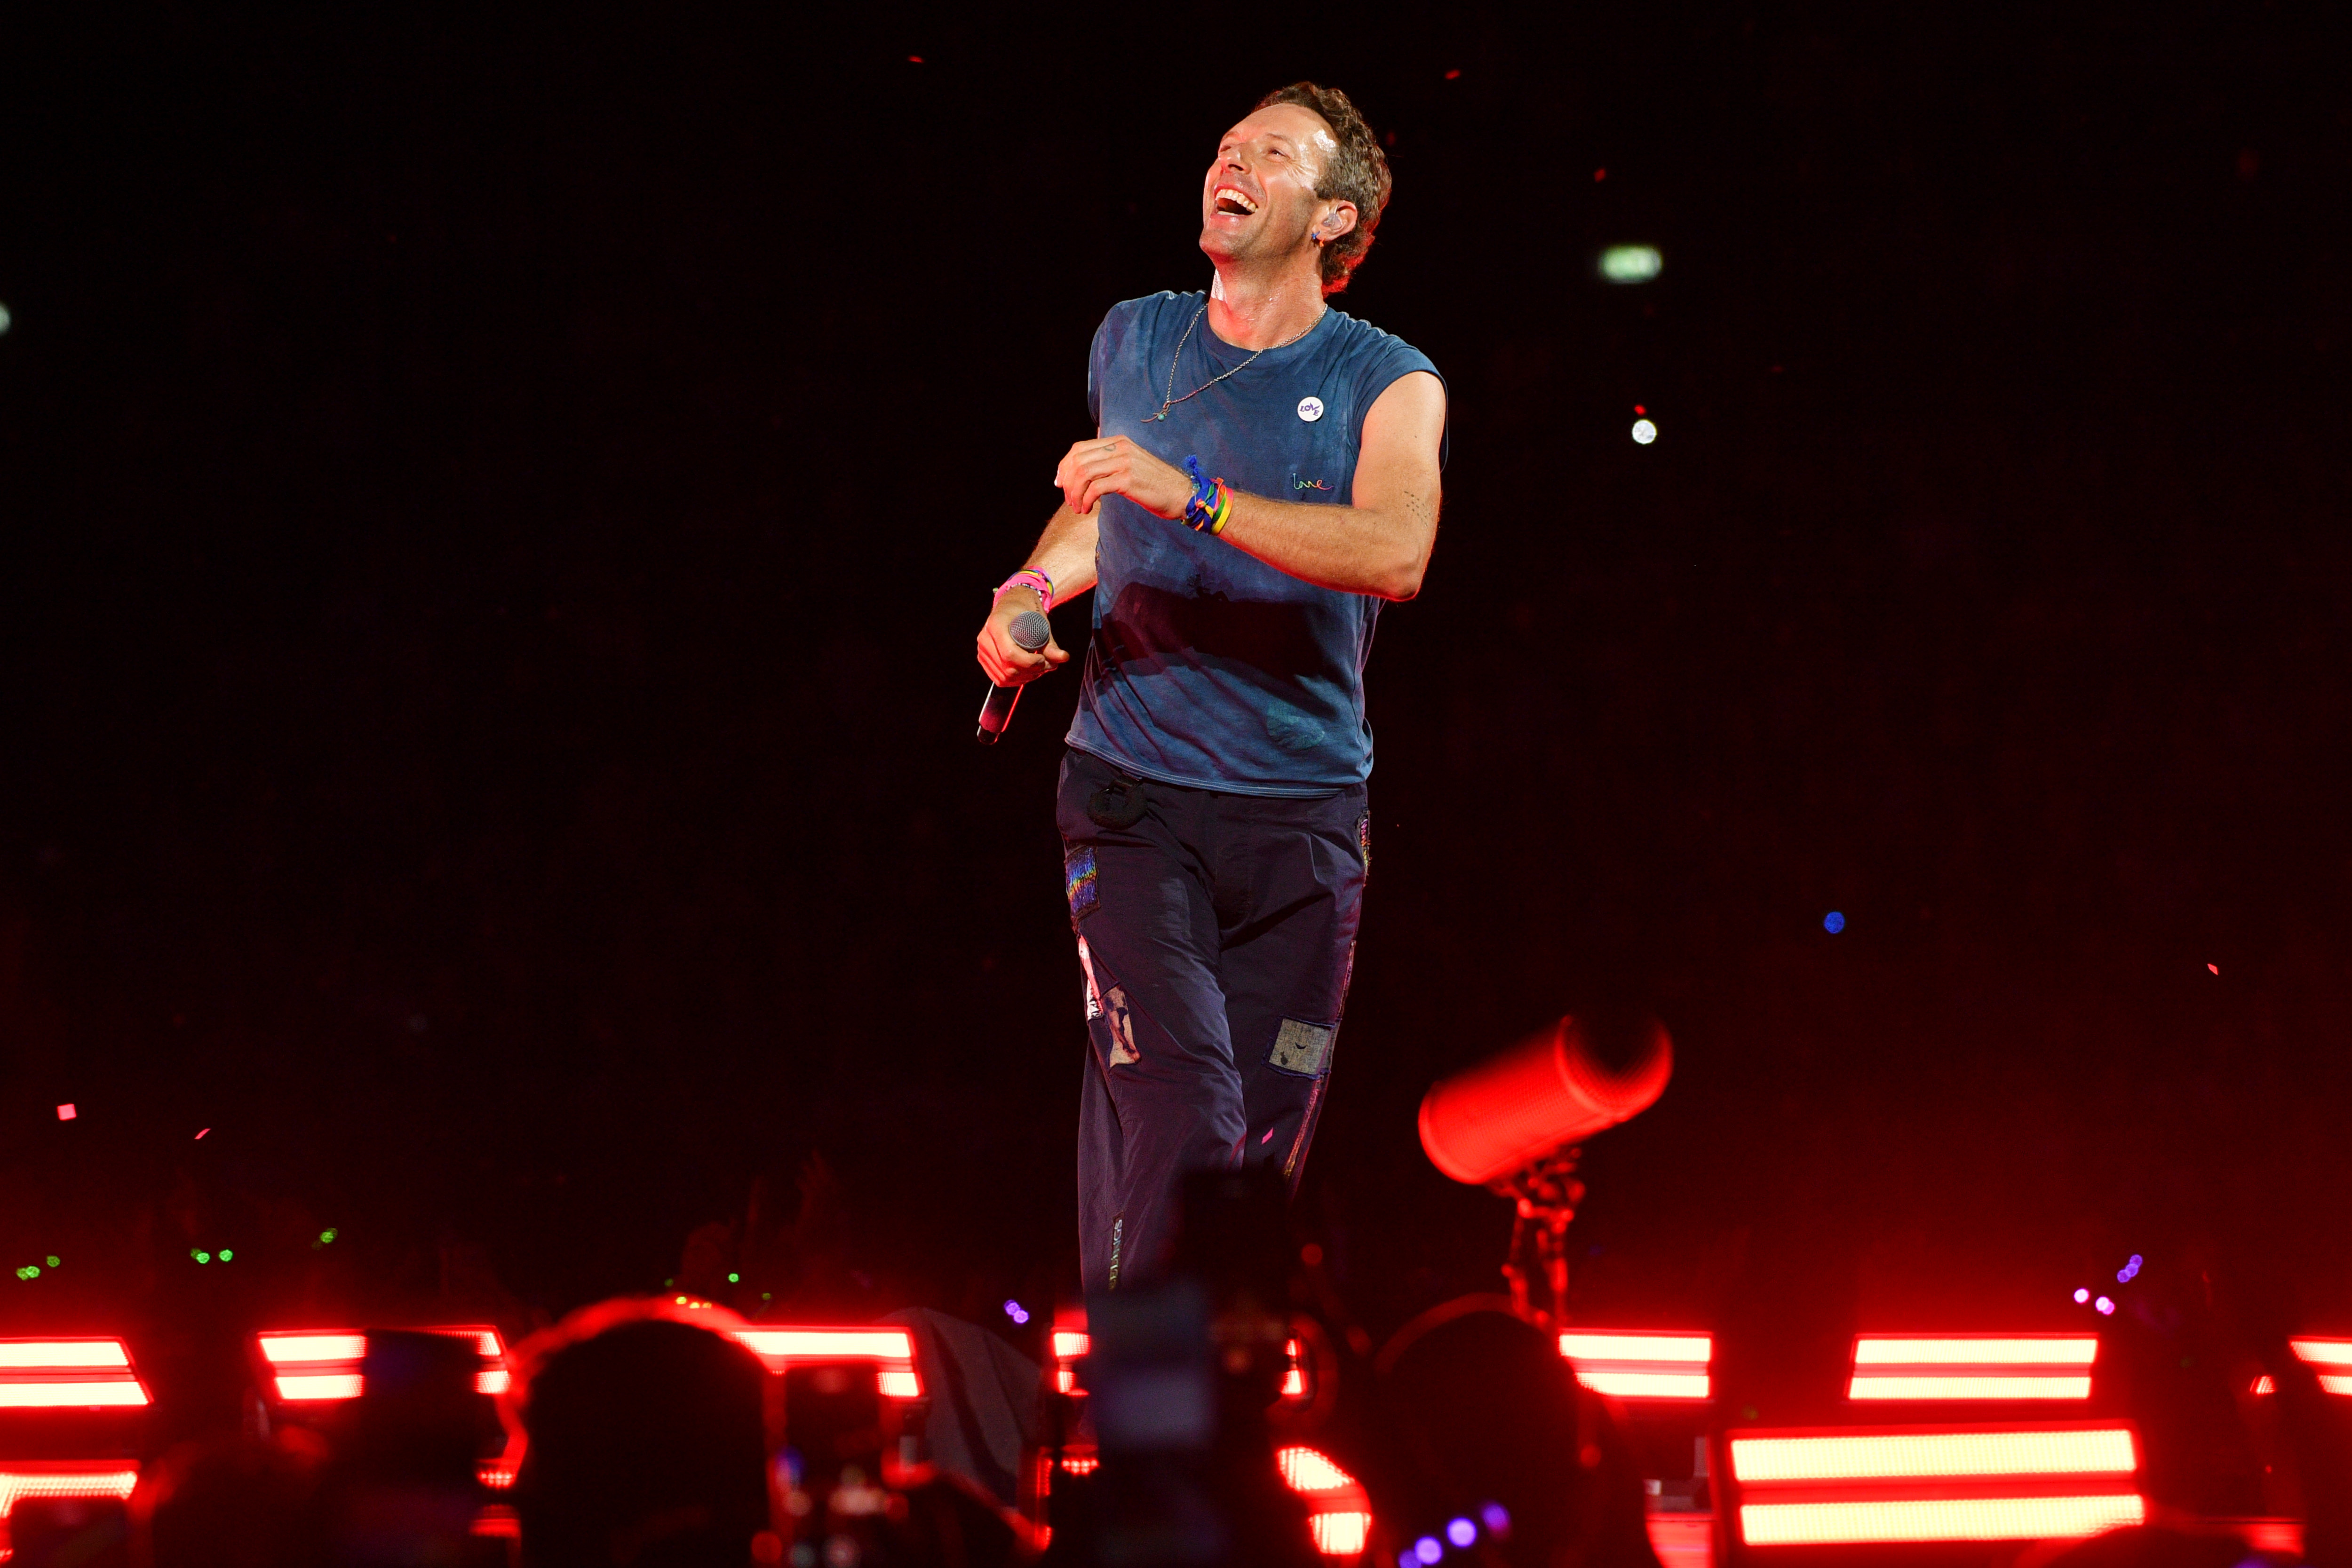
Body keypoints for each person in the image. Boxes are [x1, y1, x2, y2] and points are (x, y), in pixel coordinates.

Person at [974, 83, 1447, 1295]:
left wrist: (1198, 496)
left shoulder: (1387, 382)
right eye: (1226, 146)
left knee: (1258, 1144)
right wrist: (1024, 596)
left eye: (1270, 155)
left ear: (1336, 215)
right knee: (1181, 1093)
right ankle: (1153, 1428)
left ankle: (1190, 1418)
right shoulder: (1133, 335)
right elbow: (1099, 516)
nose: (1229, 164)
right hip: (1132, 797)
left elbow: (1395, 553)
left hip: (1303, 819)